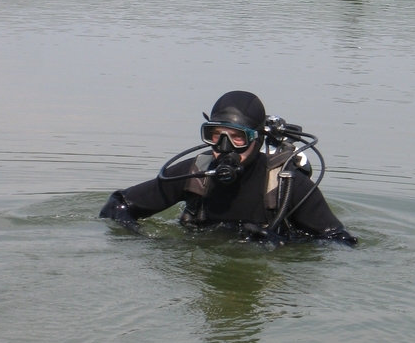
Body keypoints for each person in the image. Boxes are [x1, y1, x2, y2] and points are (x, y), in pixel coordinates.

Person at [99, 90, 357, 245]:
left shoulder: (288, 185)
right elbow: (117, 205)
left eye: (237, 137)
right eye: (215, 135)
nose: (224, 147)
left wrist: (286, 247)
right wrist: (148, 244)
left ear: (257, 139)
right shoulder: (194, 175)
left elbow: (341, 242)